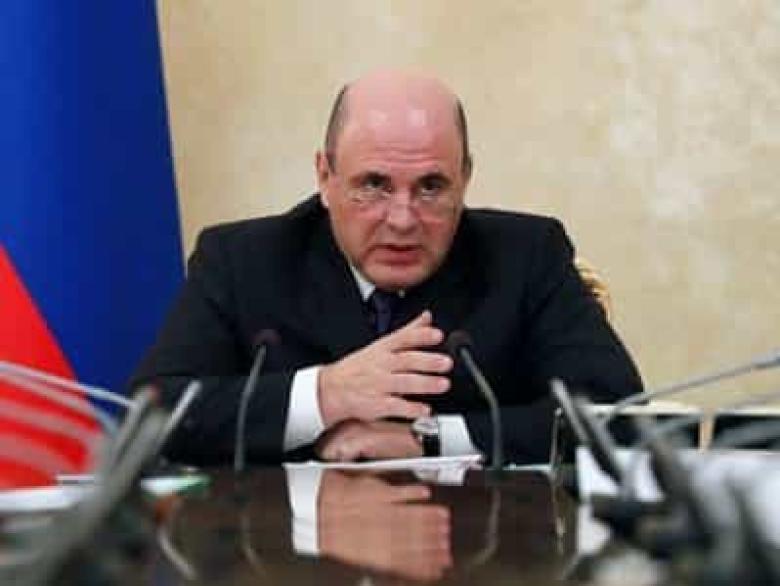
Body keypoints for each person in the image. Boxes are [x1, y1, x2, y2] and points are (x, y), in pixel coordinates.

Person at [132, 69, 642, 466]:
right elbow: (153, 417)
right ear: (325, 176)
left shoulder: (526, 255)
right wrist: (324, 394)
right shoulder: (243, 260)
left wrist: (432, 438)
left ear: (465, 178)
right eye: (373, 185)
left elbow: (616, 415)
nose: (402, 220)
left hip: (482, 546)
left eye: (431, 187)